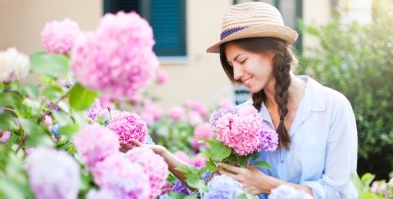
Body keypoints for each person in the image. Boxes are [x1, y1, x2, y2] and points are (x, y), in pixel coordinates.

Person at [125, 2, 358, 199]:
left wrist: (267, 184)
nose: (236, 74)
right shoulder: (238, 120)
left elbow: (340, 193)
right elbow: (210, 185)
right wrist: (164, 156)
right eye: (231, 65)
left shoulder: (332, 107)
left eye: (242, 60)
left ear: (272, 52)